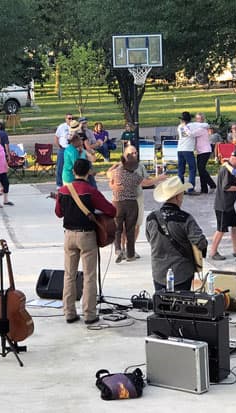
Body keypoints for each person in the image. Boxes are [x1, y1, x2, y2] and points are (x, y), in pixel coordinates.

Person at [54, 159, 116, 325]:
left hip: (69, 235)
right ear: (88, 172)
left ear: (73, 172)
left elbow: (58, 213)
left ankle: (69, 312)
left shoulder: (63, 190)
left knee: (69, 274)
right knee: (89, 275)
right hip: (87, 235)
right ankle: (89, 313)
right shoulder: (90, 191)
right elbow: (111, 210)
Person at [146, 177, 207, 292]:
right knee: (181, 305)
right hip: (181, 273)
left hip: (159, 272)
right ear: (178, 196)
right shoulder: (185, 218)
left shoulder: (151, 218)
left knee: (162, 305)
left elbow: (150, 240)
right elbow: (200, 242)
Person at [109, 147, 166, 263]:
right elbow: (147, 182)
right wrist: (159, 178)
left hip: (117, 203)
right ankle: (130, 254)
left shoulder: (117, 172)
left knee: (117, 228)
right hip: (131, 204)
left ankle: (118, 249)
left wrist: (112, 185)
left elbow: (110, 178)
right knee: (130, 229)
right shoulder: (134, 176)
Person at [209, 149, 236, 261]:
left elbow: (233, 180)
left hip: (229, 205)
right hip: (223, 205)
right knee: (221, 229)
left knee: (235, 225)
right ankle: (213, 251)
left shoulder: (231, 168)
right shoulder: (226, 169)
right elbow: (227, 187)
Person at [176, 111, 207, 195]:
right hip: (188, 149)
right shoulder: (191, 126)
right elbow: (205, 125)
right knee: (192, 168)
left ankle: (180, 189)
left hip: (180, 149)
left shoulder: (179, 127)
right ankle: (190, 188)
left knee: (181, 170)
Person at [194, 113, 216, 193]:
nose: (197, 120)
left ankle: (212, 184)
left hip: (205, 150)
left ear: (202, 119)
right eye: (196, 119)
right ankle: (204, 189)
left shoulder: (202, 129)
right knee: (200, 170)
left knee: (201, 169)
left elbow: (192, 134)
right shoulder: (199, 127)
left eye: (199, 119)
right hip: (200, 151)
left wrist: (185, 129)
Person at [54, 113, 73, 188]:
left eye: (72, 118)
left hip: (71, 149)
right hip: (63, 149)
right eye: (69, 118)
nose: (71, 120)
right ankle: (59, 184)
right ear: (66, 119)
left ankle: (70, 182)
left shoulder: (74, 127)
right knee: (60, 166)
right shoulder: (62, 127)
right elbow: (56, 137)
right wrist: (59, 146)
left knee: (71, 166)